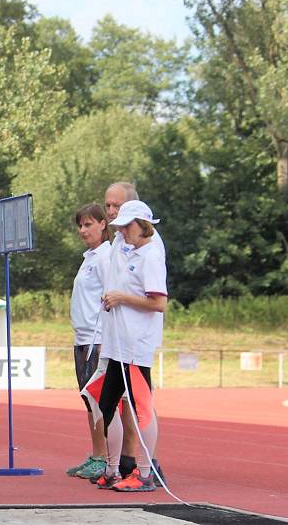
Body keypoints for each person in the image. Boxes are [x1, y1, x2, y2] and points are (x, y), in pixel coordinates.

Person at [93, 200, 167, 492]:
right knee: (105, 403)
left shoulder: (150, 255)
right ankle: (112, 469)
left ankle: (146, 473)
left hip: (136, 344)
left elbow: (159, 303)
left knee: (140, 408)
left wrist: (121, 298)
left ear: (141, 224)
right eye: (120, 227)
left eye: (126, 226)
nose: (121, 232)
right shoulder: (128, 251)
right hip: (117, 342)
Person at [66, 204, 123, 483]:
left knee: (99, 401)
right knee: (90, 402)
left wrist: (105, 335)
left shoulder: (104, 257)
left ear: (103, 224)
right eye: (80, 226)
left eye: (88, 224)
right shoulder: (89, 257)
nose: (82, 231)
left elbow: (111, 296)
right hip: (82, 337)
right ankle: (96, 453)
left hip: (96, 339)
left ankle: (104, 458)